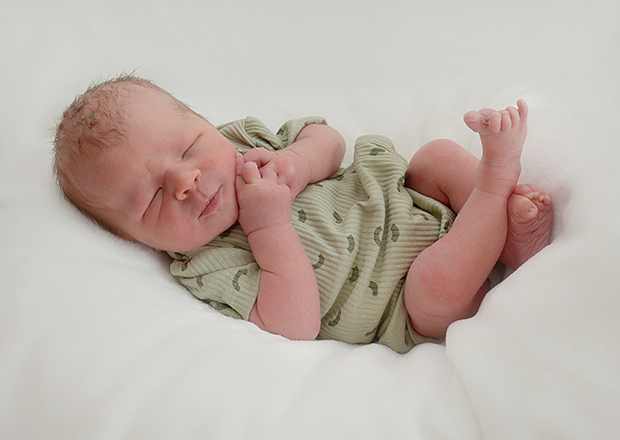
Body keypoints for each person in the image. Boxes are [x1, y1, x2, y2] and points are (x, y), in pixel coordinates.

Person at [53, 75, 553, 353]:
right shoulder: (205, 264)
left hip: (406, 198)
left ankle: (510, 240)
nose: (186, 181)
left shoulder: (243, 143)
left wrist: (297, 163)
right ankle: (496, 181)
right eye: (153, 198)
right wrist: (267, 226)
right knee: (434, 285)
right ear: (135, 238)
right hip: (406, 301)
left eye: (188, 148)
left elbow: (328, 139)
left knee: (434, 157)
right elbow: (295, 325)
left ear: (208, 123)